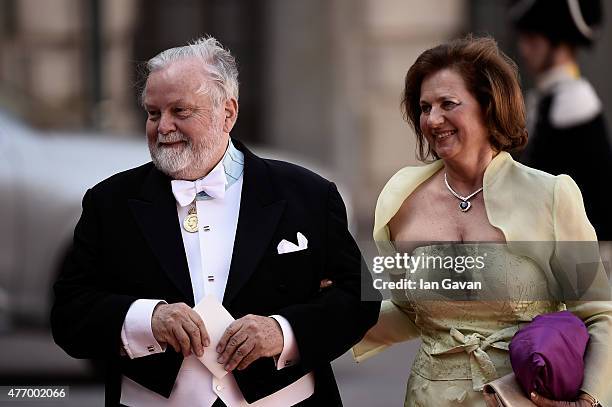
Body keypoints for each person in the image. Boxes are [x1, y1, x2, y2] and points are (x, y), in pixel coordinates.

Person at [51, 36, 379, 407]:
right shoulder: (108, 203)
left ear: (228, 113)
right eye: (154, 113)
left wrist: (283, 332)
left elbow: (360, 298)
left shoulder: (310, 195)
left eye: (180, 111)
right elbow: (69, 315)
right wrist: (146, 319)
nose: (163, 127)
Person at [352, 36, 612, 407]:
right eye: (425, 107)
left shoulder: (553, 196)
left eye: (448, 104)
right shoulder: (400, 199)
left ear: (488, 107)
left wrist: (588, 400)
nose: (433, 119)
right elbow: (411, 313)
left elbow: (600, 313)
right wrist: (319, 315)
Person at [510, 0, 612, 241]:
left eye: (533, 40)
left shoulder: (575, 102)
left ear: (558, 43)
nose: (523, 49)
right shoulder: (544, 100)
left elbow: (600, 211)